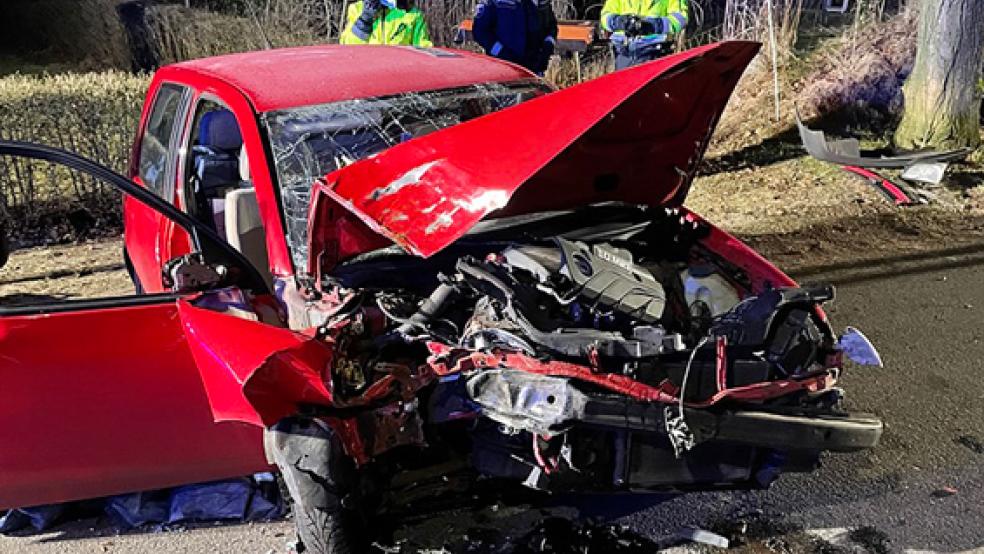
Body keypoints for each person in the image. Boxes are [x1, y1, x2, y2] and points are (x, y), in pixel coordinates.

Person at [472, 0, 558, 75]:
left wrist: (548, 46)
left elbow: (551, 26)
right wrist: (501, 52)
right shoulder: (495, 2)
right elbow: (480, 32)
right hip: (503, 69)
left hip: (534, 69)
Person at [600, 0, 689, 70]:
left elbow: (680, 18)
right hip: (623, 52)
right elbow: (605, 16)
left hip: (654, 50)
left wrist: (655, 25)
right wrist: (618, 21)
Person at [340, 0, 433, 47]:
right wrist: (364, 20)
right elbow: (348, 48)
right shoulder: (357, 9)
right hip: (367, 74)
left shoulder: (412, 14)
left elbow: (423, 49)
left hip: (399, 75)